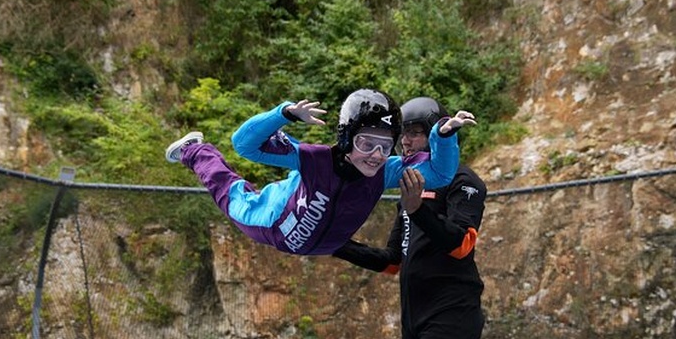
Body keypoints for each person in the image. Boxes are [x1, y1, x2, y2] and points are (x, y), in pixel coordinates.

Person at [164, 89, 477, 256]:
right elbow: (244, 145)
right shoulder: (316, 160)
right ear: (345, 138)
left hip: (321, 244)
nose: (375, 155)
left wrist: (444, 137)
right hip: (272, 221)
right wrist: (283, 114)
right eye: (365, 143)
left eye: (385, 146)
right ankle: (195, 150)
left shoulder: (386, 172)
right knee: (229, 194)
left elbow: (438, 172)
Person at [332, 97, 487, 339]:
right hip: (414, 316)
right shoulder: (410, 184)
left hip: (452, 311)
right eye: (404, 134)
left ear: (435, 134)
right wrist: (333, 245)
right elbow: (391, 262)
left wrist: (418, 209)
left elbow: (461, 245)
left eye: (416, 133)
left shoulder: (464, 181)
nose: (406, 141)